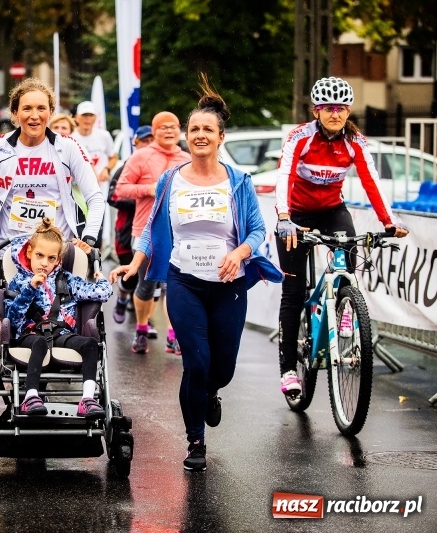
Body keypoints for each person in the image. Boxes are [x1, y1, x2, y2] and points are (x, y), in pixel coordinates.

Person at [110, 75, 283, 471]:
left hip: (228, 286)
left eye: (207, 129)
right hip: (184, 281)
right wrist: (135, 264)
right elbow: (152, 229)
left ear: (221, 137)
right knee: (196, 362)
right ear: (187, 137)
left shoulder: (238, 181)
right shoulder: (171, 180)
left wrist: (240, 253)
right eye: (194, 129)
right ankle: (195, 442)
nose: (199, 135)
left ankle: (210, 394)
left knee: (222, 368)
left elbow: (257, 230)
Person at [275, 76, 409, 396]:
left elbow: (371, 181)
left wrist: (388, 222)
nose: (335, 114)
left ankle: (344, 311)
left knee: (348, 258)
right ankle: (288, 370)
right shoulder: (300, 138)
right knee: (293, 291)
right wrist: (283, 218)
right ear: (316, 111)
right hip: (295, 214)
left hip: (332, 209)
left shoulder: (355, 142)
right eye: (328, 108)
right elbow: (283, 175)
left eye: (342, 108)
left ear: (348, 111)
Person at [0, 77, 105, 264]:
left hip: (57, 251)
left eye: (41, 108)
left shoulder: (68, 146)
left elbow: (95, 198)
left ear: (51, 112)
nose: (35, 115)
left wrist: (88, 239)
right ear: (14, 113)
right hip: (12, 250)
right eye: (27, 108)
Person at [6, 218, 112, 418]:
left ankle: (87, 400)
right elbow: (13, 319)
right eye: (39, 256)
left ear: (58, 260)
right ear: (29, 252)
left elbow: (101, 293)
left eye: (51, 258)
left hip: (61, 332)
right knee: (39, 343)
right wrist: (31, 288)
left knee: (90, 344)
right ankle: (30, 397)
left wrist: (102, 279)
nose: (45, 263)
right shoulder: (19, 281)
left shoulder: (66, 280)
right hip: (31, 333)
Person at [115, 112, 191, 354]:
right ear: (155, 131)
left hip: (180, 231)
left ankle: (173, 335)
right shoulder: (142, 156)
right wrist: (148, 189)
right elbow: (121, 189)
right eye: (163, 127)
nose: (169, 131)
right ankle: (141, 329)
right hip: (146, 230)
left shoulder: (187, 158)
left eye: (173, 127)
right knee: (146, 286)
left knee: (175, 286)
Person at [107, 125, 153, 324]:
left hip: (150, 232)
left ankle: (145, 321)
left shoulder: (161, 168)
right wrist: (140, 198)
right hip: (127, 233)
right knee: (131, 276)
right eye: (145, 141)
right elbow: (112, 196)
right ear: (136, 144)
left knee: (150, 279)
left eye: (153, 141)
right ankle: (122, 298)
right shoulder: (126, 166)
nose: (149, 145)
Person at [73, 101, 117, 246]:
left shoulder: (103, 136)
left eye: (90, 115)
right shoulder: (71, 138)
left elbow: (113, 156)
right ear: (77, 118)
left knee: (96, 230)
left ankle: (94, 262)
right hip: (78, 194)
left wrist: (106, 169)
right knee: (79, 230)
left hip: (99, 190)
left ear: (95, 118)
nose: (87, 119)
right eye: (84, 115)